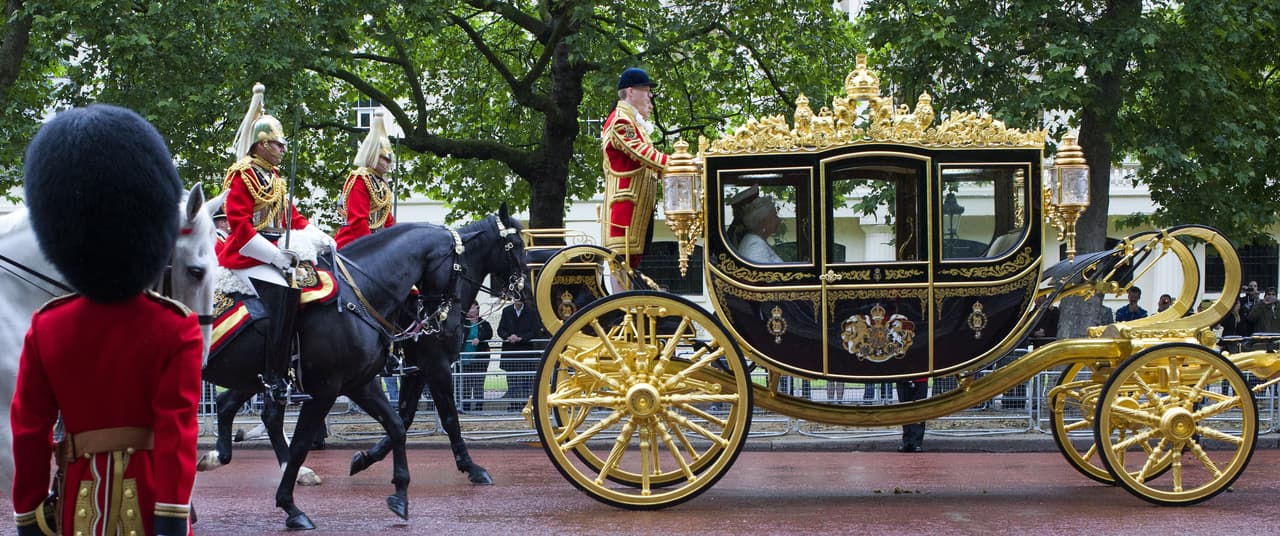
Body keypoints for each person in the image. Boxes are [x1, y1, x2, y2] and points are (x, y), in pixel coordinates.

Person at [12, 105, 202, 536]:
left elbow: (29, 432)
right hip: (155, 503)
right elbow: (177, 433)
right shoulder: (176, 326)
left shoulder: (47, 327)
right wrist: (172, 516)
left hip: (76, 510)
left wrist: (28, 514)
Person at [219, 83, 333, 403]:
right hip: (247, 254)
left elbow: (293, 219)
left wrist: (322, 237)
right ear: (262, 145)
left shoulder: (276, 180)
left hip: (276, 250)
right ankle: (273, 376)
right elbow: (240, 226)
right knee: (284, 295)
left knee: (314, 281)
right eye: (278, 144)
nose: (283, 149)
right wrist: (274, 257)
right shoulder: (242, 175)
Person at [601, 67, 669, 267]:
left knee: (632, 263)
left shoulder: (632, 122)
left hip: (637, 207)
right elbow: (644, 154)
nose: (651, 95)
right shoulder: (621, 120)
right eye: (646, 90)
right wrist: (680, 164)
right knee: (623, 262)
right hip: (626, 208)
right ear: (631, 91)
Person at [335, 109, 396, 249]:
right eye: (384, 159)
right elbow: (358, 221)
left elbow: (387, 220)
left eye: (389, 160)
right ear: (373, 155)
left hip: (378, 241)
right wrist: (374, 248)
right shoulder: (360, 179)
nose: (388, 164)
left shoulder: (381, 183)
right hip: (354, 244)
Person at [498, 298, 542, 411]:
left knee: (525, 379)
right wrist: (508, 337)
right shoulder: (506, 311)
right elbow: (500, 329)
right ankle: (514, 403)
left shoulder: (531, 312)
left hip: (525, 351)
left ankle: (525, 403)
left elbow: (535, 331)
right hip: (510, 351)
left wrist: (521, 338)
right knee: (512, 379)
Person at [459, 301, 494, 412]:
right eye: (469, 308)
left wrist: (480, 338)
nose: (471, 310)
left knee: (478, 383)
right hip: (465, 359)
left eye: (473, 308)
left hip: (480, 359)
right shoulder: (463, 323)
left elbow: (489, 333)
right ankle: (466, 407)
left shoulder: (484, 323)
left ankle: (479, 407)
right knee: (466, 385)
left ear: (477, 309)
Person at [737, 195, 785, 263]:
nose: (778, 219)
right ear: (763, 222)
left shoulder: (754, 240)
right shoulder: (755, 245)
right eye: (775, 216)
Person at [895, 377, 929, 452]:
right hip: (903, 379)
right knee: (905, 411)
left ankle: (917, 443)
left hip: (920, 379)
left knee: (919, 411)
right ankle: (907, 442)